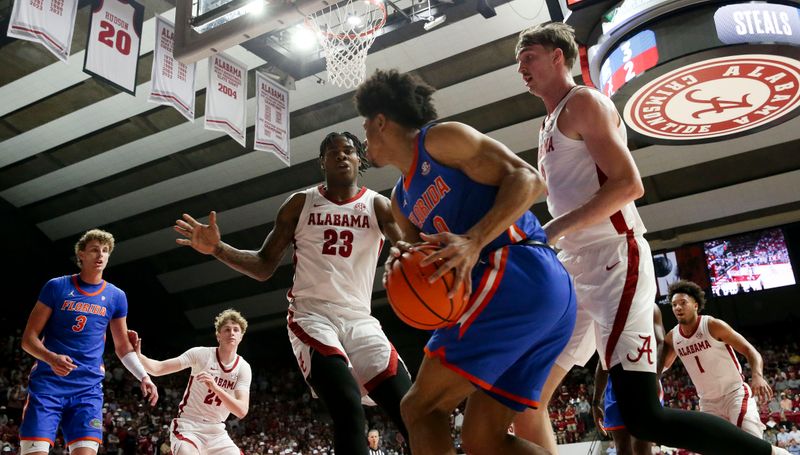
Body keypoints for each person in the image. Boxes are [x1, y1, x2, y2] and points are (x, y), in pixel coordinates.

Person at [511, 21, 788, 455]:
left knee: (643, 416)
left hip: (615, 262)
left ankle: (769, 452)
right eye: (518, 62)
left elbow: (627, 185)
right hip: (576, 268)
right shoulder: (546, 125)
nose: (521, 68)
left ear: (556, 57)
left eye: (528, 58)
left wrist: (552, 231)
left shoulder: (583, 102)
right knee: (525, 400)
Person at [355, 68, 576, 455]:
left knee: (420, 407)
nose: (363, 137)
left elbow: (527, 180)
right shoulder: (400, 200)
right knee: (483, 441)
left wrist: (474, 239)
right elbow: (423, 266)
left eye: (364, 125)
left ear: (380, 121)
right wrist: (402, 263)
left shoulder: (440, 140)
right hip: (540, 296)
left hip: (517, 269)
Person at [173, 132, 412, 455]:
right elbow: (263, 265)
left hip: (360, 319)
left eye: (349, 151)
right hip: (312, 316)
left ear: (360, 159)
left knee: (412, 413)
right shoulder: (301, 203)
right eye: (332, 152)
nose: (341, 156)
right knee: (347, 407)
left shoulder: (378, 205)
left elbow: (408, 252)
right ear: (321, 162)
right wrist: (217, 248)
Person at [19, 229, 158, 455]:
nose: (100, 255)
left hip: (87, 390)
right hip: (48, 387)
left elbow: (122, 347)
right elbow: (28, 339)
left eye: (105, 251)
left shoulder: (116, 296)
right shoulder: (56, 287)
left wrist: (143, 375)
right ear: (81, 255)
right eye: (94, 250)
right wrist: (51, 358)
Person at [130, 309, 251, 455]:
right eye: (227, 329)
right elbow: (159, 368)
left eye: (236, 330)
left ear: (241, 336)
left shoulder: (243, 368)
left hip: (217, 431)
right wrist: (139, 357)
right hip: (188, 426)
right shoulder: (201, 354)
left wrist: (216, 387)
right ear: (218, 335)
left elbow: (242, 410)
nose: (232, 333)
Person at [660, 280, 770, 438]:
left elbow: (749, 350)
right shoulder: (673, 337)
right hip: (707, 403)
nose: (677, 307)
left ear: (695, 305)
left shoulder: (712, 325)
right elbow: (661, 367)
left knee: (752, 445)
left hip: (734, 395)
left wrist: (757, 376)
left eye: (683, 303)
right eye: (674, 304)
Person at [593, 305, 665, 455]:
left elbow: (661, 343)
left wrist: (654, 378)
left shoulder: (649, 306)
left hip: (643, 378)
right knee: (622, 448)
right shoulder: (606, 310)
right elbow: (602, 359)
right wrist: (595, 401)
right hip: (616, 385)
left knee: (642, 446)